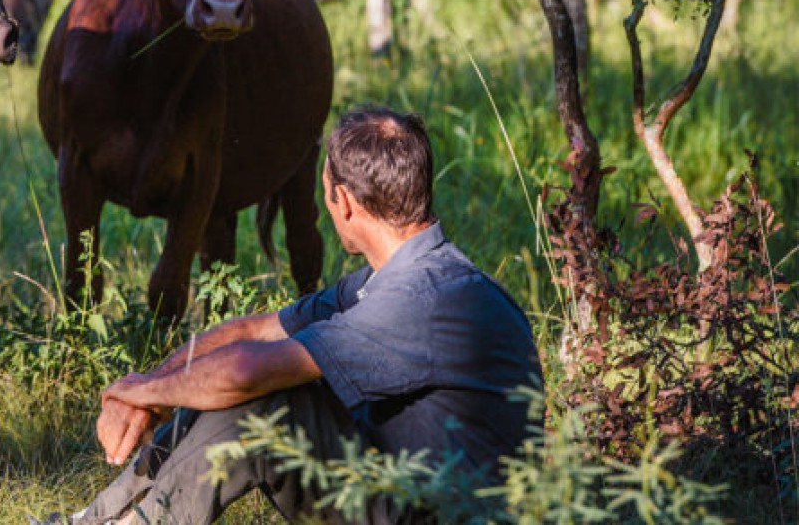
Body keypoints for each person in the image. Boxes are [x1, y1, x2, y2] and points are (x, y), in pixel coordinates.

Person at [46, 108, 542, 525]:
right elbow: (250, 332)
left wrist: (139, 391)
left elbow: (246, 371)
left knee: (263, 401)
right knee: (226, 380)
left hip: (446, 513)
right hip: (406, 489)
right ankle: (94, 520)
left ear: (342, 201)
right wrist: (156, 384)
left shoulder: (427, 297)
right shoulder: (392, 275)